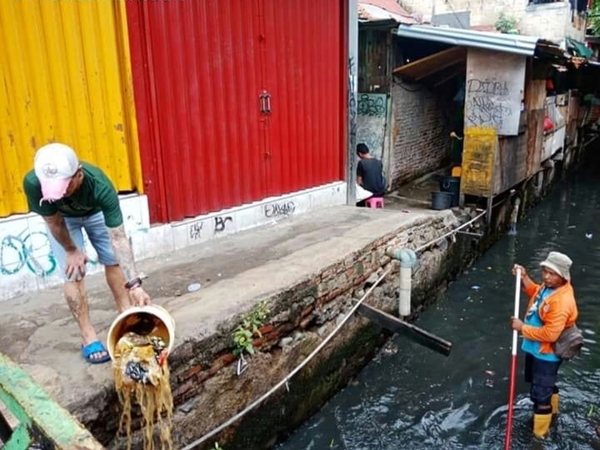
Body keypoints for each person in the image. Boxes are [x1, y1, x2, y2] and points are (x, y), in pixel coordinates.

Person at [23, 143, 151, 364]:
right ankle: (88, 336)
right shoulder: (34, 183)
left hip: (95, 212)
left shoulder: (100, 186)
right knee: (73, 272)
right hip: (62, 221)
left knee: (113, 261)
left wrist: (135, 285)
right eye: (52, 188)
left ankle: (126, 317)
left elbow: (118, 239)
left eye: (64, 186)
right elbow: (53, 222)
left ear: (78, 174)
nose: (58, 194)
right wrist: (71, 250)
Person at [511, 251, 578, 438]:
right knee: (542, 386)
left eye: (552, 273)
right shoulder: (549, 287)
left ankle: (539, 437)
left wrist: (522, 328)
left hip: (546, 355)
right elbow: (536, 294)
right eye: (545, 271)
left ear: (562, 276)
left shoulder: (562, 301)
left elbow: (550, 334)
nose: (546, 277)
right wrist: (524, 277)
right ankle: (553, 413)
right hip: (535, 349)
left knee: (541, 396)